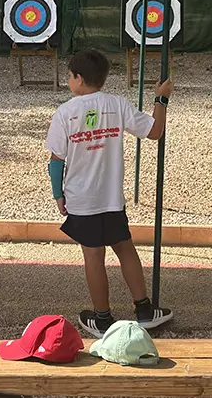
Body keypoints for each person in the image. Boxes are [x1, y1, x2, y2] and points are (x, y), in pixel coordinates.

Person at [46, 48, 174, 338]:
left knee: (93, 256)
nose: (68, 81)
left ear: (79, 79)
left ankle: (102, 319)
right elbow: (154, 131)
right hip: (111, 198)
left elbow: (56, 160)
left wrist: (58, 194)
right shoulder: (117, 104)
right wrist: (161, 98)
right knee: (125, 249)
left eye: (69, 76)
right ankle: (144, 310)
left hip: (81, 199)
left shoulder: (65, 113)